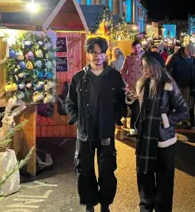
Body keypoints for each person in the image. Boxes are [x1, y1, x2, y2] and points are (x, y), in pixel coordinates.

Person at [66, 37, 127, 212]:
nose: (97, 56)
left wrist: (115, 119)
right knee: (84, 168)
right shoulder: (79, 77)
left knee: (107, 168)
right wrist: (77, 120)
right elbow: (69, 103)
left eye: (101, 52)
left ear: (106, 54)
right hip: (84, 131)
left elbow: (122, 103)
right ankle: (89, 203)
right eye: (93, 52)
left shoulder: (115, 76)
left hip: (106, 130)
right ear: (88, 54)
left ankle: (105, 203)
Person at [125, 54, 188, 212]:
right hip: (145, 139)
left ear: (156, 67)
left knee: (164, 181)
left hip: (163, 141)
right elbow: (141, 111)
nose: (144, 70)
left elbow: (183, 111)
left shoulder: (168, 84)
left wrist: (165, 121)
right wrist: (132, 101)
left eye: (147, 67)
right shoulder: (142, 84)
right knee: (144, 176)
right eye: (143, 67)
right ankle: (146, 208)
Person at [166, 43, 195, 127]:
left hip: (187, 85)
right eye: (189, 53)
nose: (190, 55)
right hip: (176, 85)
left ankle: (184, 121)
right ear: (186, 50)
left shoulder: (192, 59)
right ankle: (170, 120)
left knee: (185, 104)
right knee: (172, 103)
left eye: (192, 54)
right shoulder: (176, 57)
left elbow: (193, 71)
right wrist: (170, 80)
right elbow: (167, 69)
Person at [121, 39, 145, 136]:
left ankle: (135, 128)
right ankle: (134, 128)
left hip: (142, 87)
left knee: (138, 108)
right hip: (131, 87)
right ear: (132, 49)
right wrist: (127, 79)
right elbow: (122, 71)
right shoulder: (128, 58)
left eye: (139, 47)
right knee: (132, 107)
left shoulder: (145, 57)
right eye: (135, 48)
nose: (137, 49)